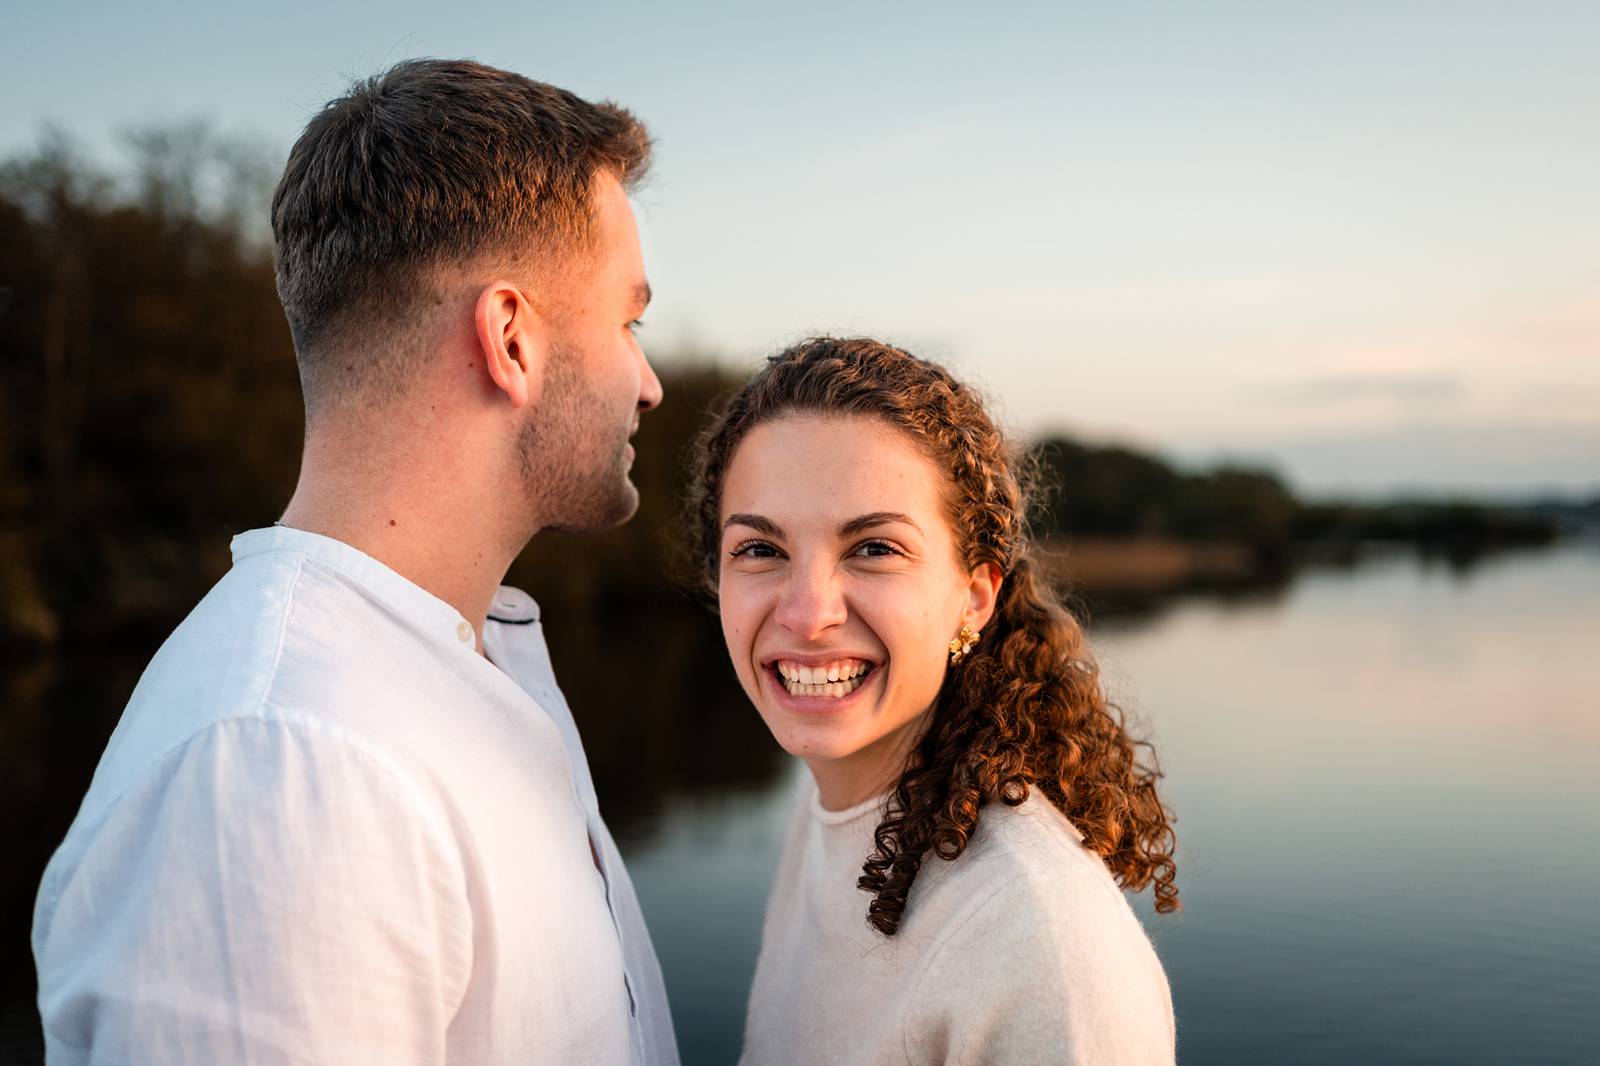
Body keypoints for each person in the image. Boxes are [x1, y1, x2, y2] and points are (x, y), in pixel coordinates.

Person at [32, 59, 677, 1065]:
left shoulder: (439, 670)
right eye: (627, 319)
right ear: (510, 337)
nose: (649, 382)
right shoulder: (280, 769)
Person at [688, 337, 1180, 1064]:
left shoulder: (1044, 946)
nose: (807, 612)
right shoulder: (827, 812)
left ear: (973, 598)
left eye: (874, 548)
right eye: (760, 550)